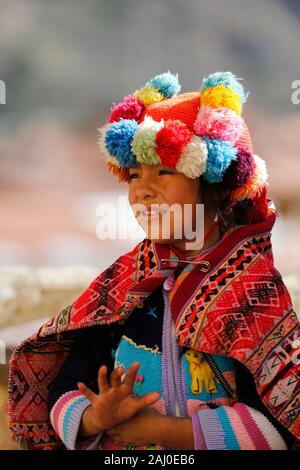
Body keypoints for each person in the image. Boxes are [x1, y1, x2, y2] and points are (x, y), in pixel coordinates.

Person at [8, 71, 300, 450]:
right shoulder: (121, 289)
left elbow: (279, 427)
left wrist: (166, 433)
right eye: (133, 175)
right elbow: (65, 391)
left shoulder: (252, 296)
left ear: (215, 185)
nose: (143, 190)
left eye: (164, 171)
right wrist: (97, 417)